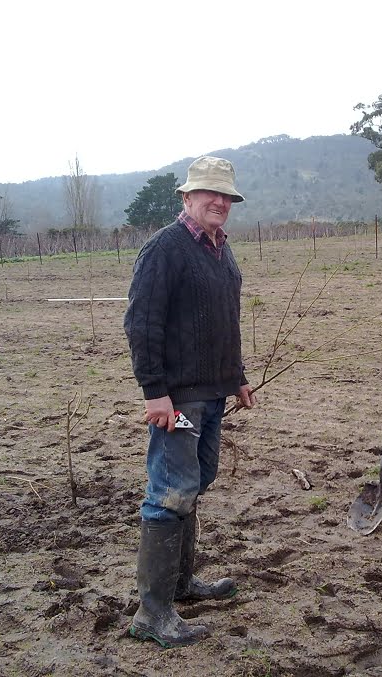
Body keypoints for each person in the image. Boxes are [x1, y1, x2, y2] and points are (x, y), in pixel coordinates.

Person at [123, 155, 255, 649]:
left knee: (197, 480)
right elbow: (142, 323)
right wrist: (154, 391)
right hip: (177, 398)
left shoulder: (223, 251)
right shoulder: (165, 249)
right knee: (171, 488)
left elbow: (226, 322)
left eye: (226, 196)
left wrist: (237, 378)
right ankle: (152, 613)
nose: (219, 202)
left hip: (212, 393)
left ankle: (180, 585)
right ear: (187, 197)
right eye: (209, 194)